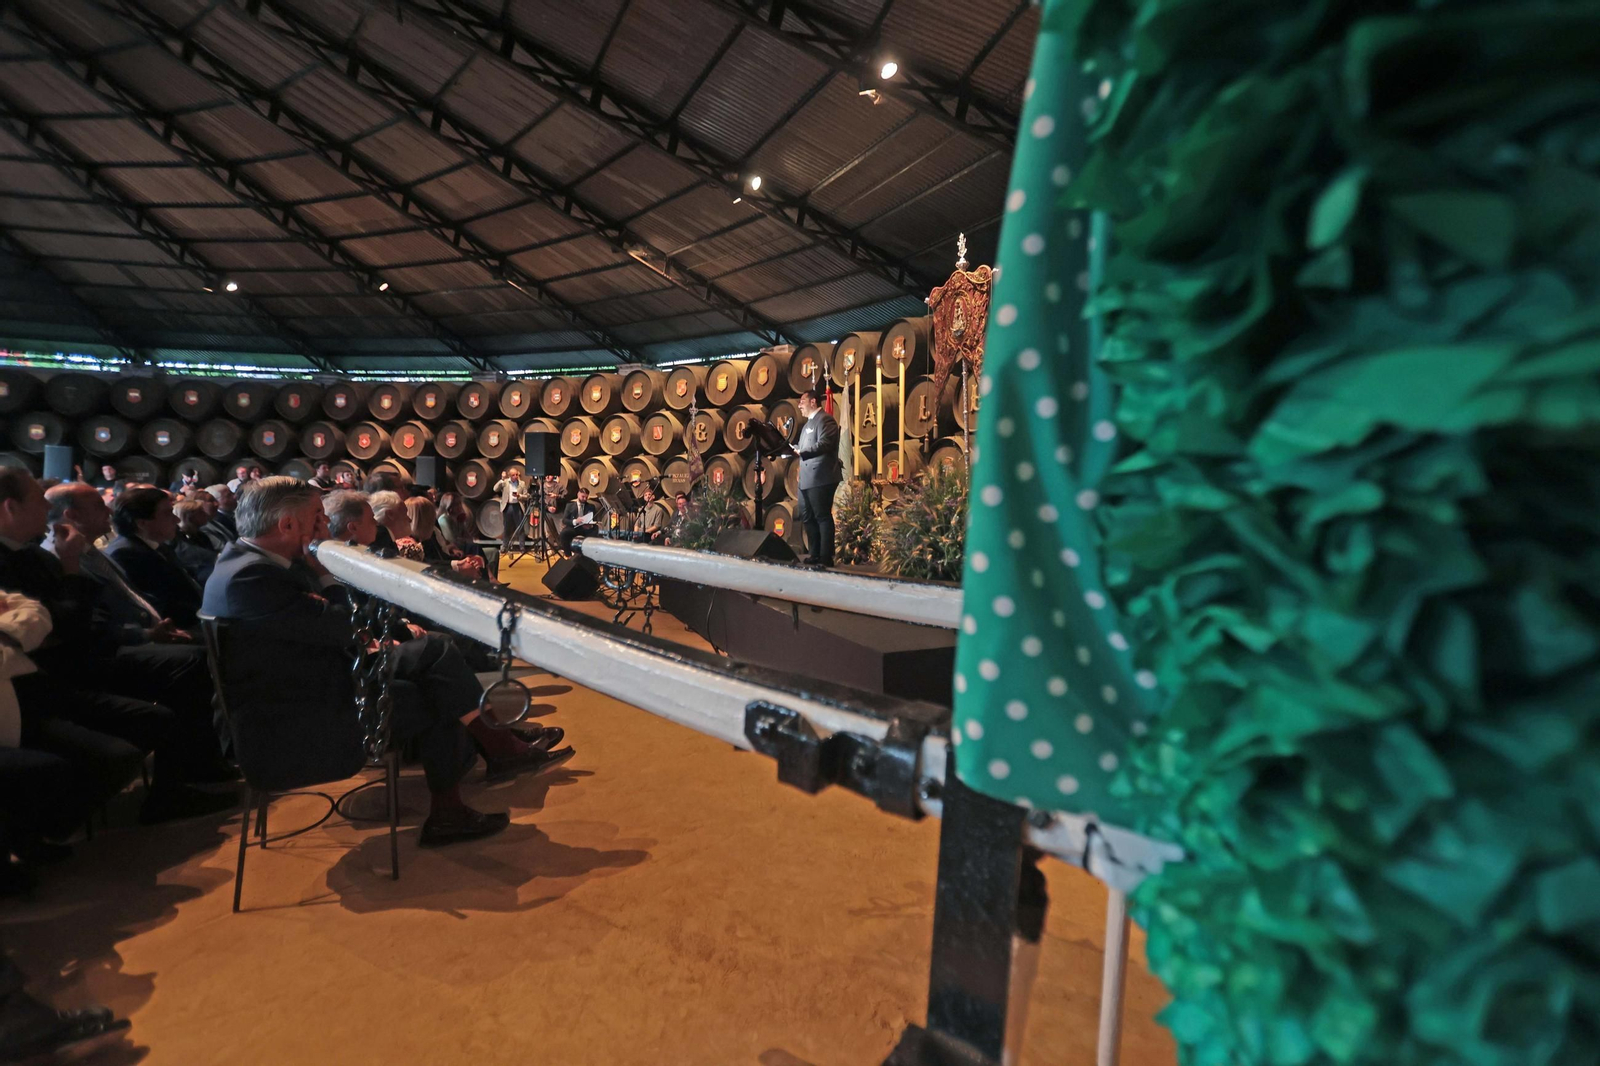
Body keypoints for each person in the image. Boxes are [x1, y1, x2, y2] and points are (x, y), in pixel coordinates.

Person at [203, 478, 571, 846]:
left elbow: (334, 628)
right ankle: (484, 763)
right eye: (317, 517)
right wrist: (325, 572)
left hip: (310, 688)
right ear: (286, 525)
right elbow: (345, 627)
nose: (323, 526)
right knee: (437, 677)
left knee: (437, 663)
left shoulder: (249, 562)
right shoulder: (252, 577)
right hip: (293, 721)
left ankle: (481, 768)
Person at [0, 470, 233, 823]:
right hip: (54, 675)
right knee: (186, 666)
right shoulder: (49, 556)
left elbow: (67, 622)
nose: (46, 508)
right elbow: (67, 628)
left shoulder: (38, 556)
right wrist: (70, 569)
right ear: (10, 508)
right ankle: (177, 783)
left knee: (191, 663)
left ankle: (191, 772)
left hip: (80, 655)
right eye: (38, 500)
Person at [105, 489, 204, 629]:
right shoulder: (126, 554)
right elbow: (160, 607)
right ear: (142, 523)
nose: (176, 520)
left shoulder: (157, 545)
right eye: (168, 513)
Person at [791, 386, 842, 567]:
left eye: (802, 402)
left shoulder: (825, 420)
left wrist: (802, 451)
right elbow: (802, 448)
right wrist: (790, 450)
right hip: (806, 479)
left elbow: (825, 443)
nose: (799, 406)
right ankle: (814, 553)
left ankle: (826, 557)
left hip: (821, 477)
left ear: (813, 401)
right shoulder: (807, 425)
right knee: (807, 517)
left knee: (822, 516)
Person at [170, 501, 219, 585]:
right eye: (201, 512)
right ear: (188, 517)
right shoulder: (178, 538)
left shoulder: (201, 535)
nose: (206, 514)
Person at [492, 468, 526, 552]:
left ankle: (522, 547)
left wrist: (520, 496)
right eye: (513, 475)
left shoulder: (522, 483)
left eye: (516, 475)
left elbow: (527, 496)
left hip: (518, 506)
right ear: (509, 475)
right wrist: (502, 479)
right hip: (508, 507)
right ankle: (504, 546)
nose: (515, 476)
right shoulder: (505, 482)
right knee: (507, 527)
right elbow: (495, 489)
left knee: (520, 527)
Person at [559, 486, 598, 554]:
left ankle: (589, 555)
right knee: (564, 534)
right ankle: (568, 555)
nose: (584, 499)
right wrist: (575, 521)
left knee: (595, 532)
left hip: (585, 528)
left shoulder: (591, 506)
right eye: (583, 496)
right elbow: (564, 520)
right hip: (574, 527)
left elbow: (594, 519)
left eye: (586, 497)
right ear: (578, 494)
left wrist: (590, 525)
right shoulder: (570, 505)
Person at [202, 483, 239, 548]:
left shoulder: (233, 512)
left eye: (232, 493)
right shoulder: (215, 520)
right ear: (217, 501)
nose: (234, 496)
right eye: (228, 495)